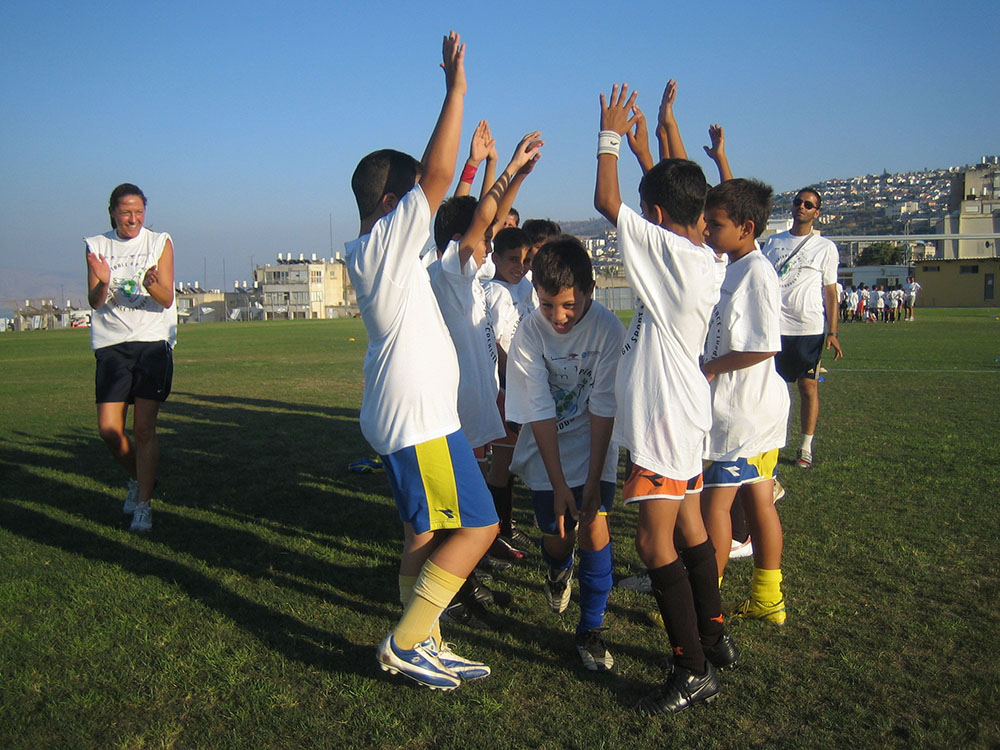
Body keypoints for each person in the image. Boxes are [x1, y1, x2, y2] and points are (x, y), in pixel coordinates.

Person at [345, 31, 498, 691]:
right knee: (480, 527)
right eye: (412, 200)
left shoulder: (390, 251)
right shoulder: (381, 242)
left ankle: (426, 639)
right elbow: (433, 181)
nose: (424, 207)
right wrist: (455, 89)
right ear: (390, 205)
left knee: (420, 532)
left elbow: (451, 203)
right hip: (419, 419)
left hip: (411, 413)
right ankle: (406, 642)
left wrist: (486, 168)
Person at [596, 83, 735, 715]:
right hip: (685, 412)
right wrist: (650, 146)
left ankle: (691, 668)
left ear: (655, 219)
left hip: (661, 417)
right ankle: (714, 634)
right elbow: (673, 203)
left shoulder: (672, 254)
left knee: (655, 546)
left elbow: (607, 200)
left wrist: (610, 140)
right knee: (689, 526)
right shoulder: (701, 254)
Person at [428, 132, 542, 625]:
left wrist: (513, 177)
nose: (491, 245)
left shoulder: (470, 276)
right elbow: (477, 222)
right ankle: (452, 598)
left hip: (475, 409)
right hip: (454, 412)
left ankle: (464, 587)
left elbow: (486, 222)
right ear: (460, 242)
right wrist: (502, 167)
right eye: (485, 241)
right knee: (460, 516)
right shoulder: (448, 273)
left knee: (467, 515)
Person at [505, 237, 625, 672]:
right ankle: (557, 568)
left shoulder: (609, 329)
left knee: (595, 525)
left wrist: (593, 481)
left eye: (569, 305)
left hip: (595, 443)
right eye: (547, 304)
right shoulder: (529, 331)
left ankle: (590, 629)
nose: (558, 317)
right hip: (546, 447)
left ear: (591, 290)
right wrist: (558, 485)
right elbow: (537, 410)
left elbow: (604, 406)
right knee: (558, 532)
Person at [699, 179, 790, 625]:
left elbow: (765, 345)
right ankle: (768, 598)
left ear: (746, 227)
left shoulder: (755, 272)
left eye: (715, 224)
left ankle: (706, 610)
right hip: (752, 411)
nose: (707, 231)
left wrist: (709, 366)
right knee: (758, 503)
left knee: (714, 507)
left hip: (742, 414)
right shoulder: (735, 265)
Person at [85, 183, 176, 533]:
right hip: (112, 344)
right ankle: (139, 479)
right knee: (109, 429)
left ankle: (143, 505)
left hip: (151, 342)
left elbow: (166, 298)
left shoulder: (159, 241)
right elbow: (95, 301)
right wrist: (103, 282)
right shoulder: (97, 246)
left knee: (144, 429)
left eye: (139, 211)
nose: (133, 218)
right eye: (126, 211)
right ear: (112, 212)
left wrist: (152, 284)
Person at [762, 188, 843, 469]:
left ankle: (805, 446)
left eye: (808, 205)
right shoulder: (773, 243)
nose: (802, 207)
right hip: (775, 327)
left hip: (808, 328)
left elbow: (830, 292)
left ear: (816, 213)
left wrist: (832, 332)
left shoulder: (825, 248)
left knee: (808, 388)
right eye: (798, 202)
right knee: (771, 390)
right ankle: (768, 445)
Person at [484, 225, 538, 558]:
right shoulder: (494, 293)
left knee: (514, 459)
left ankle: (504, 526)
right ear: (495, 258)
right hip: (506, 387)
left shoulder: (526, 287)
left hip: (526, 386)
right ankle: (496, 533)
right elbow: (493, 342)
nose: (520, 266)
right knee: (501, 462)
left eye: (525, 259)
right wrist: (513, 374)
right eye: (512, 259)